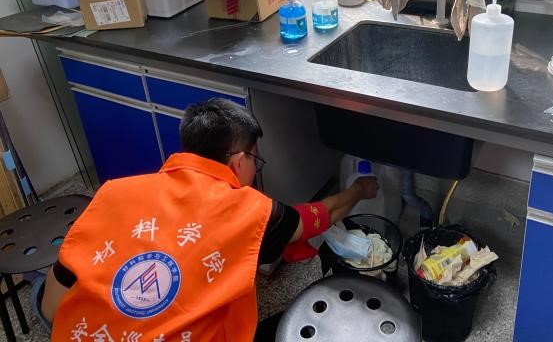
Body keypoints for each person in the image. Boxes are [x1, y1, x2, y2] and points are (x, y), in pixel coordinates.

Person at [41, 98, 378, 341]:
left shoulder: (113, 192)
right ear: (240, 161)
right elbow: (320, 216)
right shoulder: (251, 212)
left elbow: (52, 308)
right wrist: (360, 190)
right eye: (256, 161)